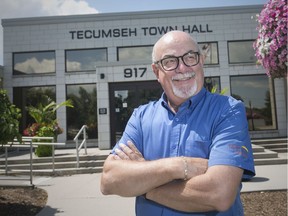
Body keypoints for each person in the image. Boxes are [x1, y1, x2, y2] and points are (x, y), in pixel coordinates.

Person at [100, 30, 255, 216]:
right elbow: (109, 180)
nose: (182, 68)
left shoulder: (228, 111)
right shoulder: (140, 118)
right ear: (157, 71)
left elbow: (218, 194)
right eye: (170, 61)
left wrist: (144, 185)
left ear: (201, 61)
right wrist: (179, 166)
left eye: (190, 57)